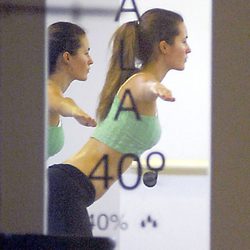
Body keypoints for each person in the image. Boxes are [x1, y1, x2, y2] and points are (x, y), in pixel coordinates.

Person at [48, 8, 191, 237]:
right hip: (67, 188)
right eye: (183, 41)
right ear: (164, 47)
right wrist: (157, 89)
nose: (188, 48)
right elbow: (143, 85)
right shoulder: (139, 81)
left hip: (68, 188)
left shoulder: (135, 80)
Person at [48, 22, 96, 158]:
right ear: (67, 57)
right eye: (86, 53)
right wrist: (75, 111)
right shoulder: (46, 89)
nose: (91, 60)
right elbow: (60, 103)